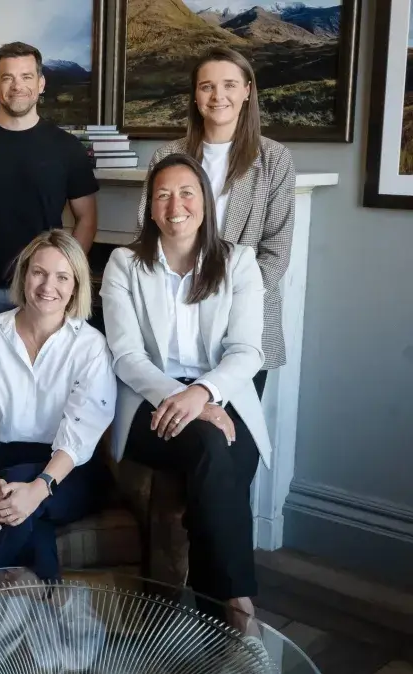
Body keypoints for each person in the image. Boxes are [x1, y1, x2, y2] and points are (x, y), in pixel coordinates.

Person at [101, 153, 271, 628]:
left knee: (222, 458)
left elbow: (247, 351)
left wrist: (203, 395)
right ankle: (236, 608)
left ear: (205, 203)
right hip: (147, 405)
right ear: (150, 208)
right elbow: (126, 356)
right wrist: (180, 400)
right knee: (216, 449)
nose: (175, 205)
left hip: (218, 397)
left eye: (187, 192)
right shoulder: (124, 264)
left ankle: (215, 604)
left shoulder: (238, 263)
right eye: (162, 195)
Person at [0, 230, 116, 579]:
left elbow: (82, 430)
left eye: (62, 277)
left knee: (20, 488)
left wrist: (38, 489)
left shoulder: (90, 346)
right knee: (19, 499)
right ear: (24, 274)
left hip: (69, 473)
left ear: (75, 286)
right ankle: (42, 592)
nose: (47, 286)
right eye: (39, 272)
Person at [138, 46, 296, 397]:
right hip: (176, 326)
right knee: (175, 437)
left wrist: (227, 300)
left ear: (247, 91)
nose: (218, 95)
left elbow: (276, 252)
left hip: (244, 326)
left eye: (229, 84)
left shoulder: (274, 159)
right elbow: (147, 235)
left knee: (234, 441)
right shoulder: (167, 156)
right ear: (195, 96)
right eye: (207, 86)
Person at [0, 41, 99, 334]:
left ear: (41, 83)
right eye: (8, 77)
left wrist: (67, 270)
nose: (17, 86)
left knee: (42, 375)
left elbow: (87, 217)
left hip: (43, 292)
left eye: (26, 76)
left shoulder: (68, 148)